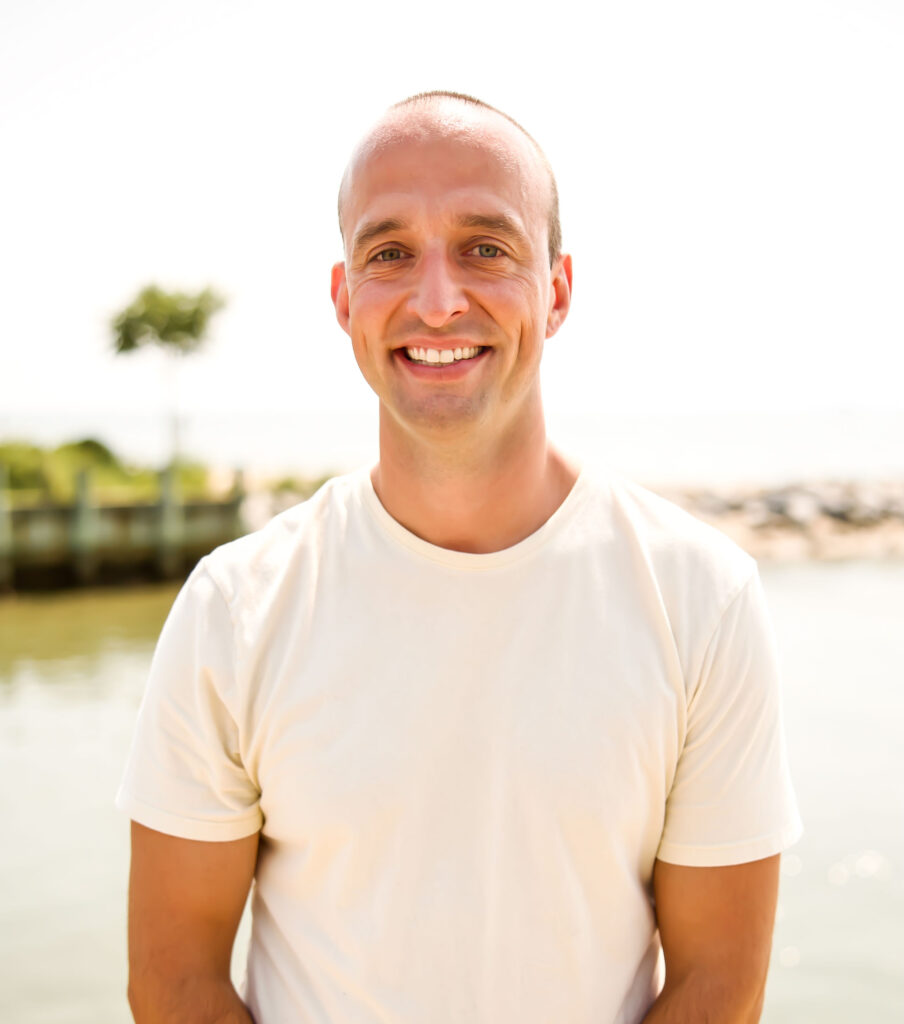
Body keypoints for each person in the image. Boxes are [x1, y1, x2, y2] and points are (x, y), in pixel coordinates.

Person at [117, 91, 801, 1024]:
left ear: (557, 291)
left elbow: (720, 984)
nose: (438, 301)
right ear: (343, 297)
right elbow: (175, 981)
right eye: (390, 253)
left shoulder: (700, 599)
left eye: (487, 247)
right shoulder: (234, 608)